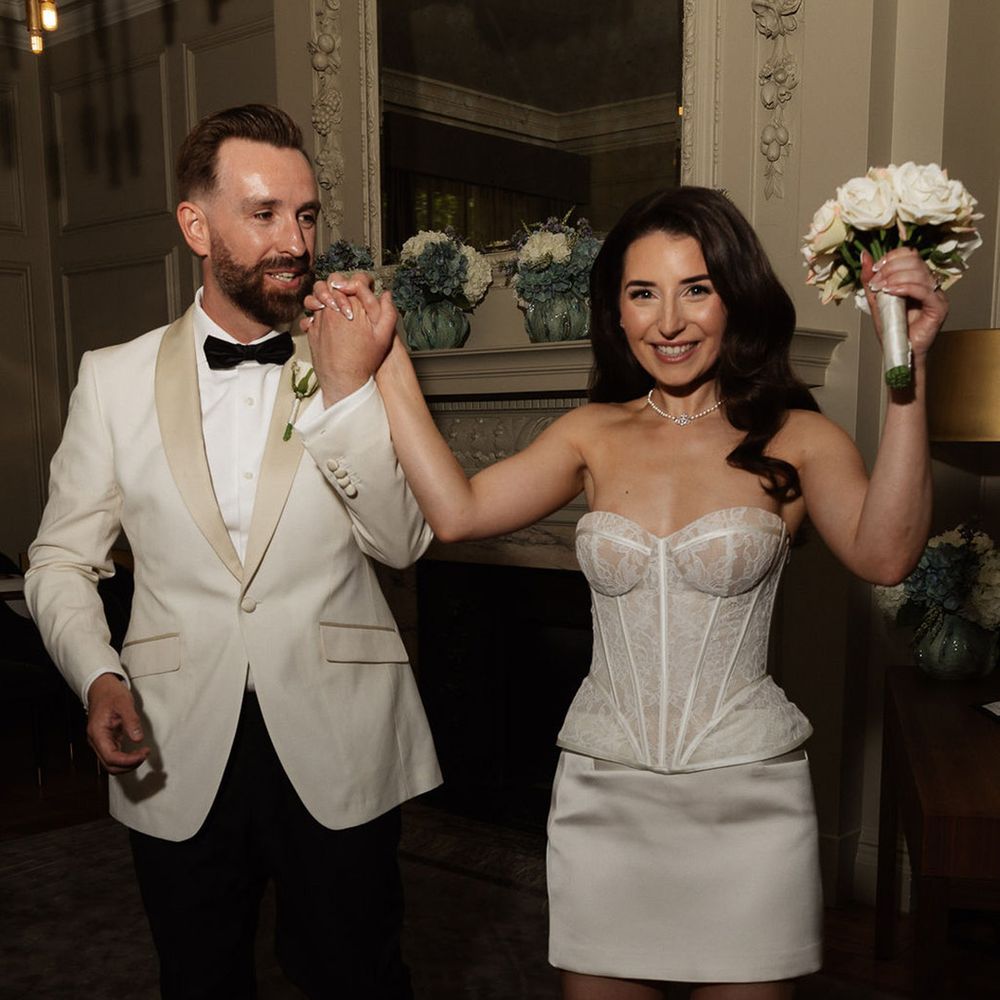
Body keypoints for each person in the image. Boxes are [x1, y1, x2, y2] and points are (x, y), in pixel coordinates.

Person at [304, 186, 946, 1000]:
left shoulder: (797, 437)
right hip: (605, 797)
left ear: (735, 296)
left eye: (696, 289)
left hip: (748, 801)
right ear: (617, 309)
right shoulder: (591, 432)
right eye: (644, 293)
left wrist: (908, 373)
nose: (668, 322)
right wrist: (390, 358)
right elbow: (456, 514)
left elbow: (886, 556)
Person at [25, 104, 440, 1000]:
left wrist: (346, 392)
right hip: (173, 738)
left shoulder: (360, 355)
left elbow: (402, 541)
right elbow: (58, 561)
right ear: (196, 226)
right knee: (199, 979)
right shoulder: (112, 378)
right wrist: (98, 677)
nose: (296, 242)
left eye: (306, 215)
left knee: (360, 977)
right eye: (264, 214)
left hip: (341, 732)